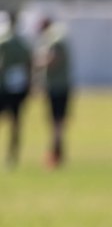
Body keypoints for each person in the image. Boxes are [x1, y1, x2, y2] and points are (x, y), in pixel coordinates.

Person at [34, 17, 74, 168]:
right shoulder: (59, 38)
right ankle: (57, 152)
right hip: (62, 86)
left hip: (56, 87)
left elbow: (53, 60)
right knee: (58, 122)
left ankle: (56, 153)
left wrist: (37, 63)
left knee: (56, 122)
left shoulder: (54, 40)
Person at [0, 12, 33, 168]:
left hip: (3, 87)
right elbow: (29, 65)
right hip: (19, 88)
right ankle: (12, 155)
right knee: (15, 123)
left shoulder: (4, 41)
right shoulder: (22, 43)